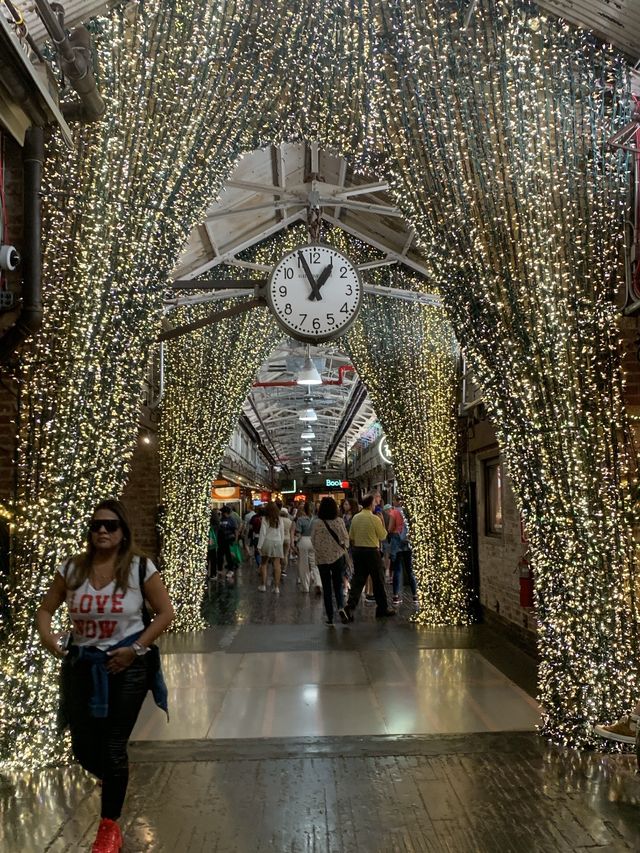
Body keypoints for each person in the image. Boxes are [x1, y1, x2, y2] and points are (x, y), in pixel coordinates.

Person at [36, 499, 174, 853]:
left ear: (123, 532)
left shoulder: (140, 568)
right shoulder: (73, 569)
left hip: (128, 667)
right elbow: (46, 609)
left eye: (110, 526)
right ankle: (117, 780)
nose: (102, 531)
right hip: (82, 666)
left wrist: (137, 649)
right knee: (82, 746)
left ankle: (108, 829)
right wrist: (48, 637)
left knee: (113, 746)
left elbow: (164, 613)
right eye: (96, 525)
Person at [339, 494, 395, 622]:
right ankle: (382, 608)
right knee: (378, 581)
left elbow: (351, 536)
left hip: (358, 551)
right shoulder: (374, 518)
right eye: (375, 503)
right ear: (370, 504)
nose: (376, 505)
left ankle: (349, 608)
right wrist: (381, 522)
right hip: (372, 552)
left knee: (358, 581)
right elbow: (382, 536)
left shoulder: (356, 518)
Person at [311, 496, 349, 625]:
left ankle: (330, 617)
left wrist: (320, 550)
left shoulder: (317, 523)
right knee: (338, 585)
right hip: (337, 557)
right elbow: (345, 538)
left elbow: (313, 540)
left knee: (327, 588)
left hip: (322, 559)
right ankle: (340, 607)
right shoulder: (339, 521)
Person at [387, 495, 419, 608]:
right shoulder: (409, 512)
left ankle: (396, 597)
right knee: (410, 570)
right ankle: (415, 596)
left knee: (397, 570)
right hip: (407, 543)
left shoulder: (394, 512)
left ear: (396, 501)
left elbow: (390, 528)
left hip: (397, 544)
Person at [257, 501, 285, 593]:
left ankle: (263, 585)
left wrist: (259, 546)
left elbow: (263, 533)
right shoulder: (280, 519)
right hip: (278, 542)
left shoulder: (265, 519)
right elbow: (282, 533)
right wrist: (281, 543)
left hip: (267, 542)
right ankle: (276, 587)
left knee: (264, 564)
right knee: (277, 565)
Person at [295, 501, 322, 594]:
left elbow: (298, 533)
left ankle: (305, 587)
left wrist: (296, 543)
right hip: (314, 541)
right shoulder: (318, 520)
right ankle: (318, 582)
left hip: (304, 541)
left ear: (304, 509)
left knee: (304, 565)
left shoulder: (300, 520)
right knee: (314, 564)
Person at [217, 505, 238, 579]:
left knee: (229, 555)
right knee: (220, 555)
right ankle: (219, 569)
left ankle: (231, 569)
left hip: (229, 540)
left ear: (225, 512)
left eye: (223, 512)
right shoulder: (221, 519)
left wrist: (236, 539)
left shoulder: (231, 519)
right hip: (221, 540)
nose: (222, 513)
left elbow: (235, 530)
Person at [280, 508, 293, 575]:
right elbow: (291, 532)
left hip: (279, 539)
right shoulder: (289, 521)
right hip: (287, 539)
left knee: (279, 554)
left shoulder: (278, 520)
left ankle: (278, 568)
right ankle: (284, 570)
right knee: (285, 555)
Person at [206, 508, 220, 579]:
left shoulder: (206, 514)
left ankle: (207, 574)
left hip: (208, 540)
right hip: (212, 541)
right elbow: (218, 525)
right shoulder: (213, 514)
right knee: (213, 558)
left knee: (207, 558)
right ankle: (213, 574)